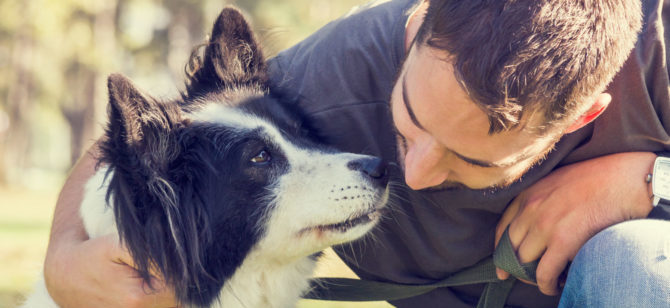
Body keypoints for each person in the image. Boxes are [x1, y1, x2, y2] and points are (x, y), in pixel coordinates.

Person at [43, 0, 670, 307]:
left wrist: (646, 179)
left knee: (630, 262)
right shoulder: (331, 77)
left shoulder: (658, 51)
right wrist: (64, 258)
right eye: (408, 125)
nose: (413, 175)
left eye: (469, 161)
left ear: (584, 115)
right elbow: (151, 140)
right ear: (415, 24)